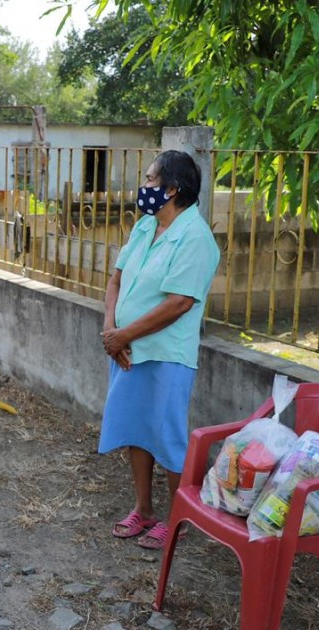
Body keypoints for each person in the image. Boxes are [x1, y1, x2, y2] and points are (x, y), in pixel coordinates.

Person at [99, 150, 220, 550]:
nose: (144, 187)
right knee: (137, 430)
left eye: (150, 180)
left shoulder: (195, 238)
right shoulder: (144, 227)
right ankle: (144, 509)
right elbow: (115, 281)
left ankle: (178, 520)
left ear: (172, 189)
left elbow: (179, 302)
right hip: (128, 348)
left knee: (167, 438)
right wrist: (110, 329)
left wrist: (123, 335)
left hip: (166, 353)